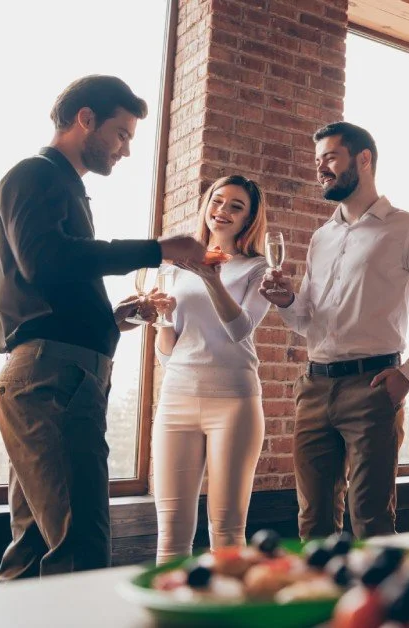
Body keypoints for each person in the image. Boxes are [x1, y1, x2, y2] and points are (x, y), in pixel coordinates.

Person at [0, 75, 206, 580]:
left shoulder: (62, 186)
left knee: (33, 548)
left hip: (58, 377)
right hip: (54, 382)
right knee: (82, 550)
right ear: (85, 119)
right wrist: (158, 248)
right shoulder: (34, 175)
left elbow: (52, 289)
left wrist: (116, 318)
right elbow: (45, 261)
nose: (127, 149)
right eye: (122, 134)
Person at [260, 122, 409, 539]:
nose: (321, 170)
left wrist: (408, 375)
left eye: (330, 158)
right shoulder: (321, 238)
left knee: (371, 519)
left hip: (372, 389)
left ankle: (374, 605)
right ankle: (322, 604)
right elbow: (307, 321)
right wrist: (286, 303)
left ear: (363, 159)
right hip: (313, 388)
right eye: (318, 162)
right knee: (312, 522)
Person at [150, 175, 272, 564]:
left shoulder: (257, 268)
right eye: (217, 201)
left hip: (233, 403)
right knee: (171, 534)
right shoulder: (176, 267)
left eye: (236, 206)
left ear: (249, 219)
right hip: (177, 399)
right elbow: (168, 354)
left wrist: (210, 278)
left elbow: (239, 330)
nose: (222, 211)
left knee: (227, 533)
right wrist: (163, 320)